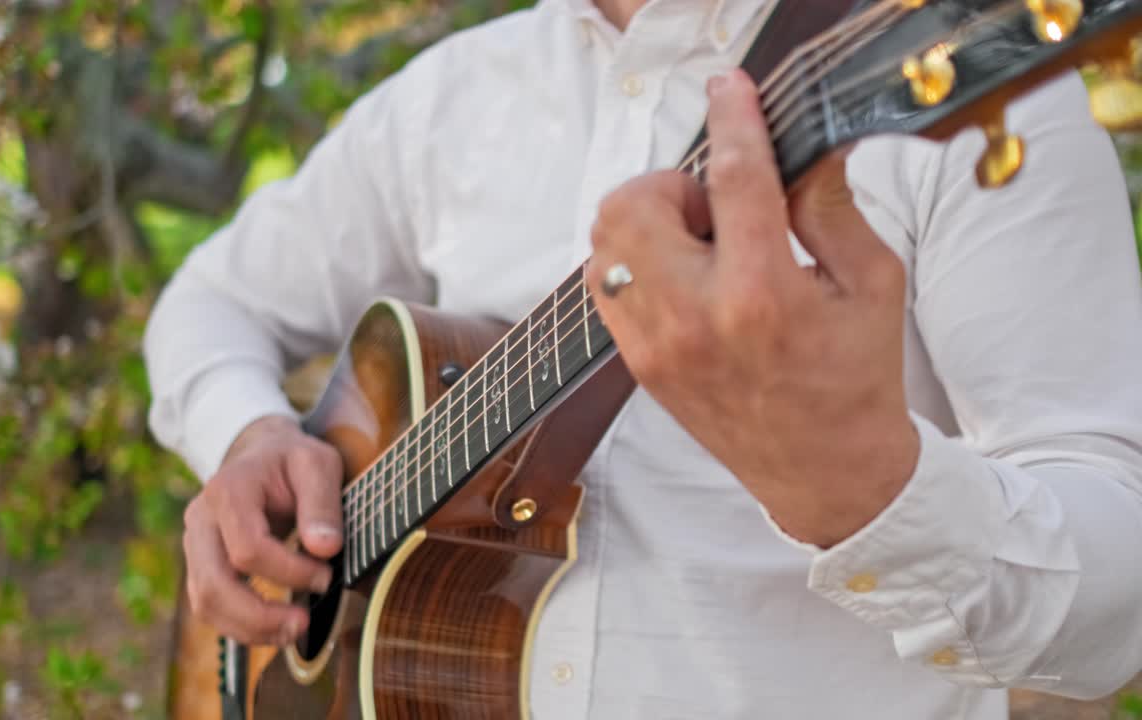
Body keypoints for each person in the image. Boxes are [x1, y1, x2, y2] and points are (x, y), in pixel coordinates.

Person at [143, 0, 1142, 717]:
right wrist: (248, 434)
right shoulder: (450, 97)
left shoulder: (944, 47)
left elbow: (1115, 599)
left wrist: (864, 488)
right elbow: (211, 301)